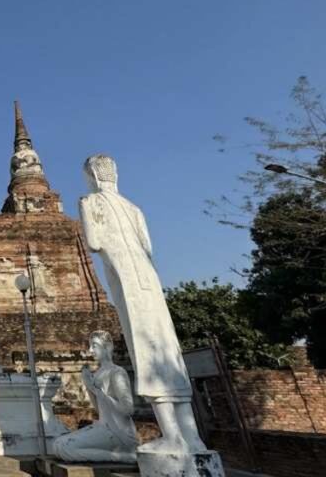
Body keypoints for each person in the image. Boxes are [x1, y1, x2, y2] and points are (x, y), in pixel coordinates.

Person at [79, 154, 206, 453]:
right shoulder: (134, 208)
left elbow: (95, 243)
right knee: (167, 348)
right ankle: (194, 439)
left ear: (93, 178)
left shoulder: (90, 202)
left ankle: (172, 437)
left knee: (146, 350)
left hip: (125, 276)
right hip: (148, 276)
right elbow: (147, 247)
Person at [52, 331, 138, 462]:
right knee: (57, 445)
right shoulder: (98, 373)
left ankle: (124, 457)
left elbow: (128, 409)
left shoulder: (117, 372)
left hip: (118, 432)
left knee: (66, 449)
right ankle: (120, 456)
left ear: (107, 347)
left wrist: (98, 392)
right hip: (103, 426)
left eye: (95, 345)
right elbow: (99, 410)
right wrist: (88, 386)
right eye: (90, 346)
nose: (90, 350)